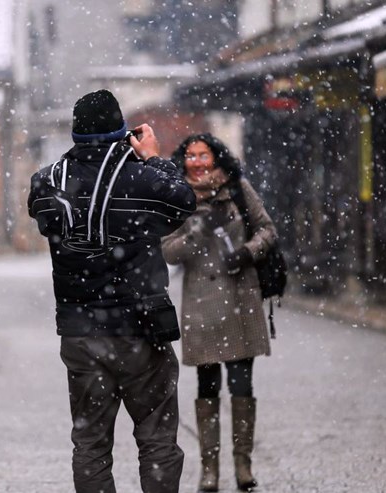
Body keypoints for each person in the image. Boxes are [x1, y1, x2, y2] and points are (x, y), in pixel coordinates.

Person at [27, 89, 196, 493]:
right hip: (142, 328)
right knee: (156, 438)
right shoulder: (142, 177)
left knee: (90, 443)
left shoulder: (49, 181)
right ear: (122, 130)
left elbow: (42, 218)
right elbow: (184, 202)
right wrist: (154, 157)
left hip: (80, 331)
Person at [161, 133, 278, 492]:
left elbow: (267, 230)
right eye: (191, 155)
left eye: (204, 154)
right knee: (207, 385)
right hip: (202, 304)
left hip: (241, 298)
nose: (197, 161)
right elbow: (168, 252)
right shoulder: (177, 196)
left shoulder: (238, 188)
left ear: (216, 157)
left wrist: (247, 252)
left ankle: (243, 465)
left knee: (242, 383)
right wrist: (197, 230)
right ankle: (209, 468)